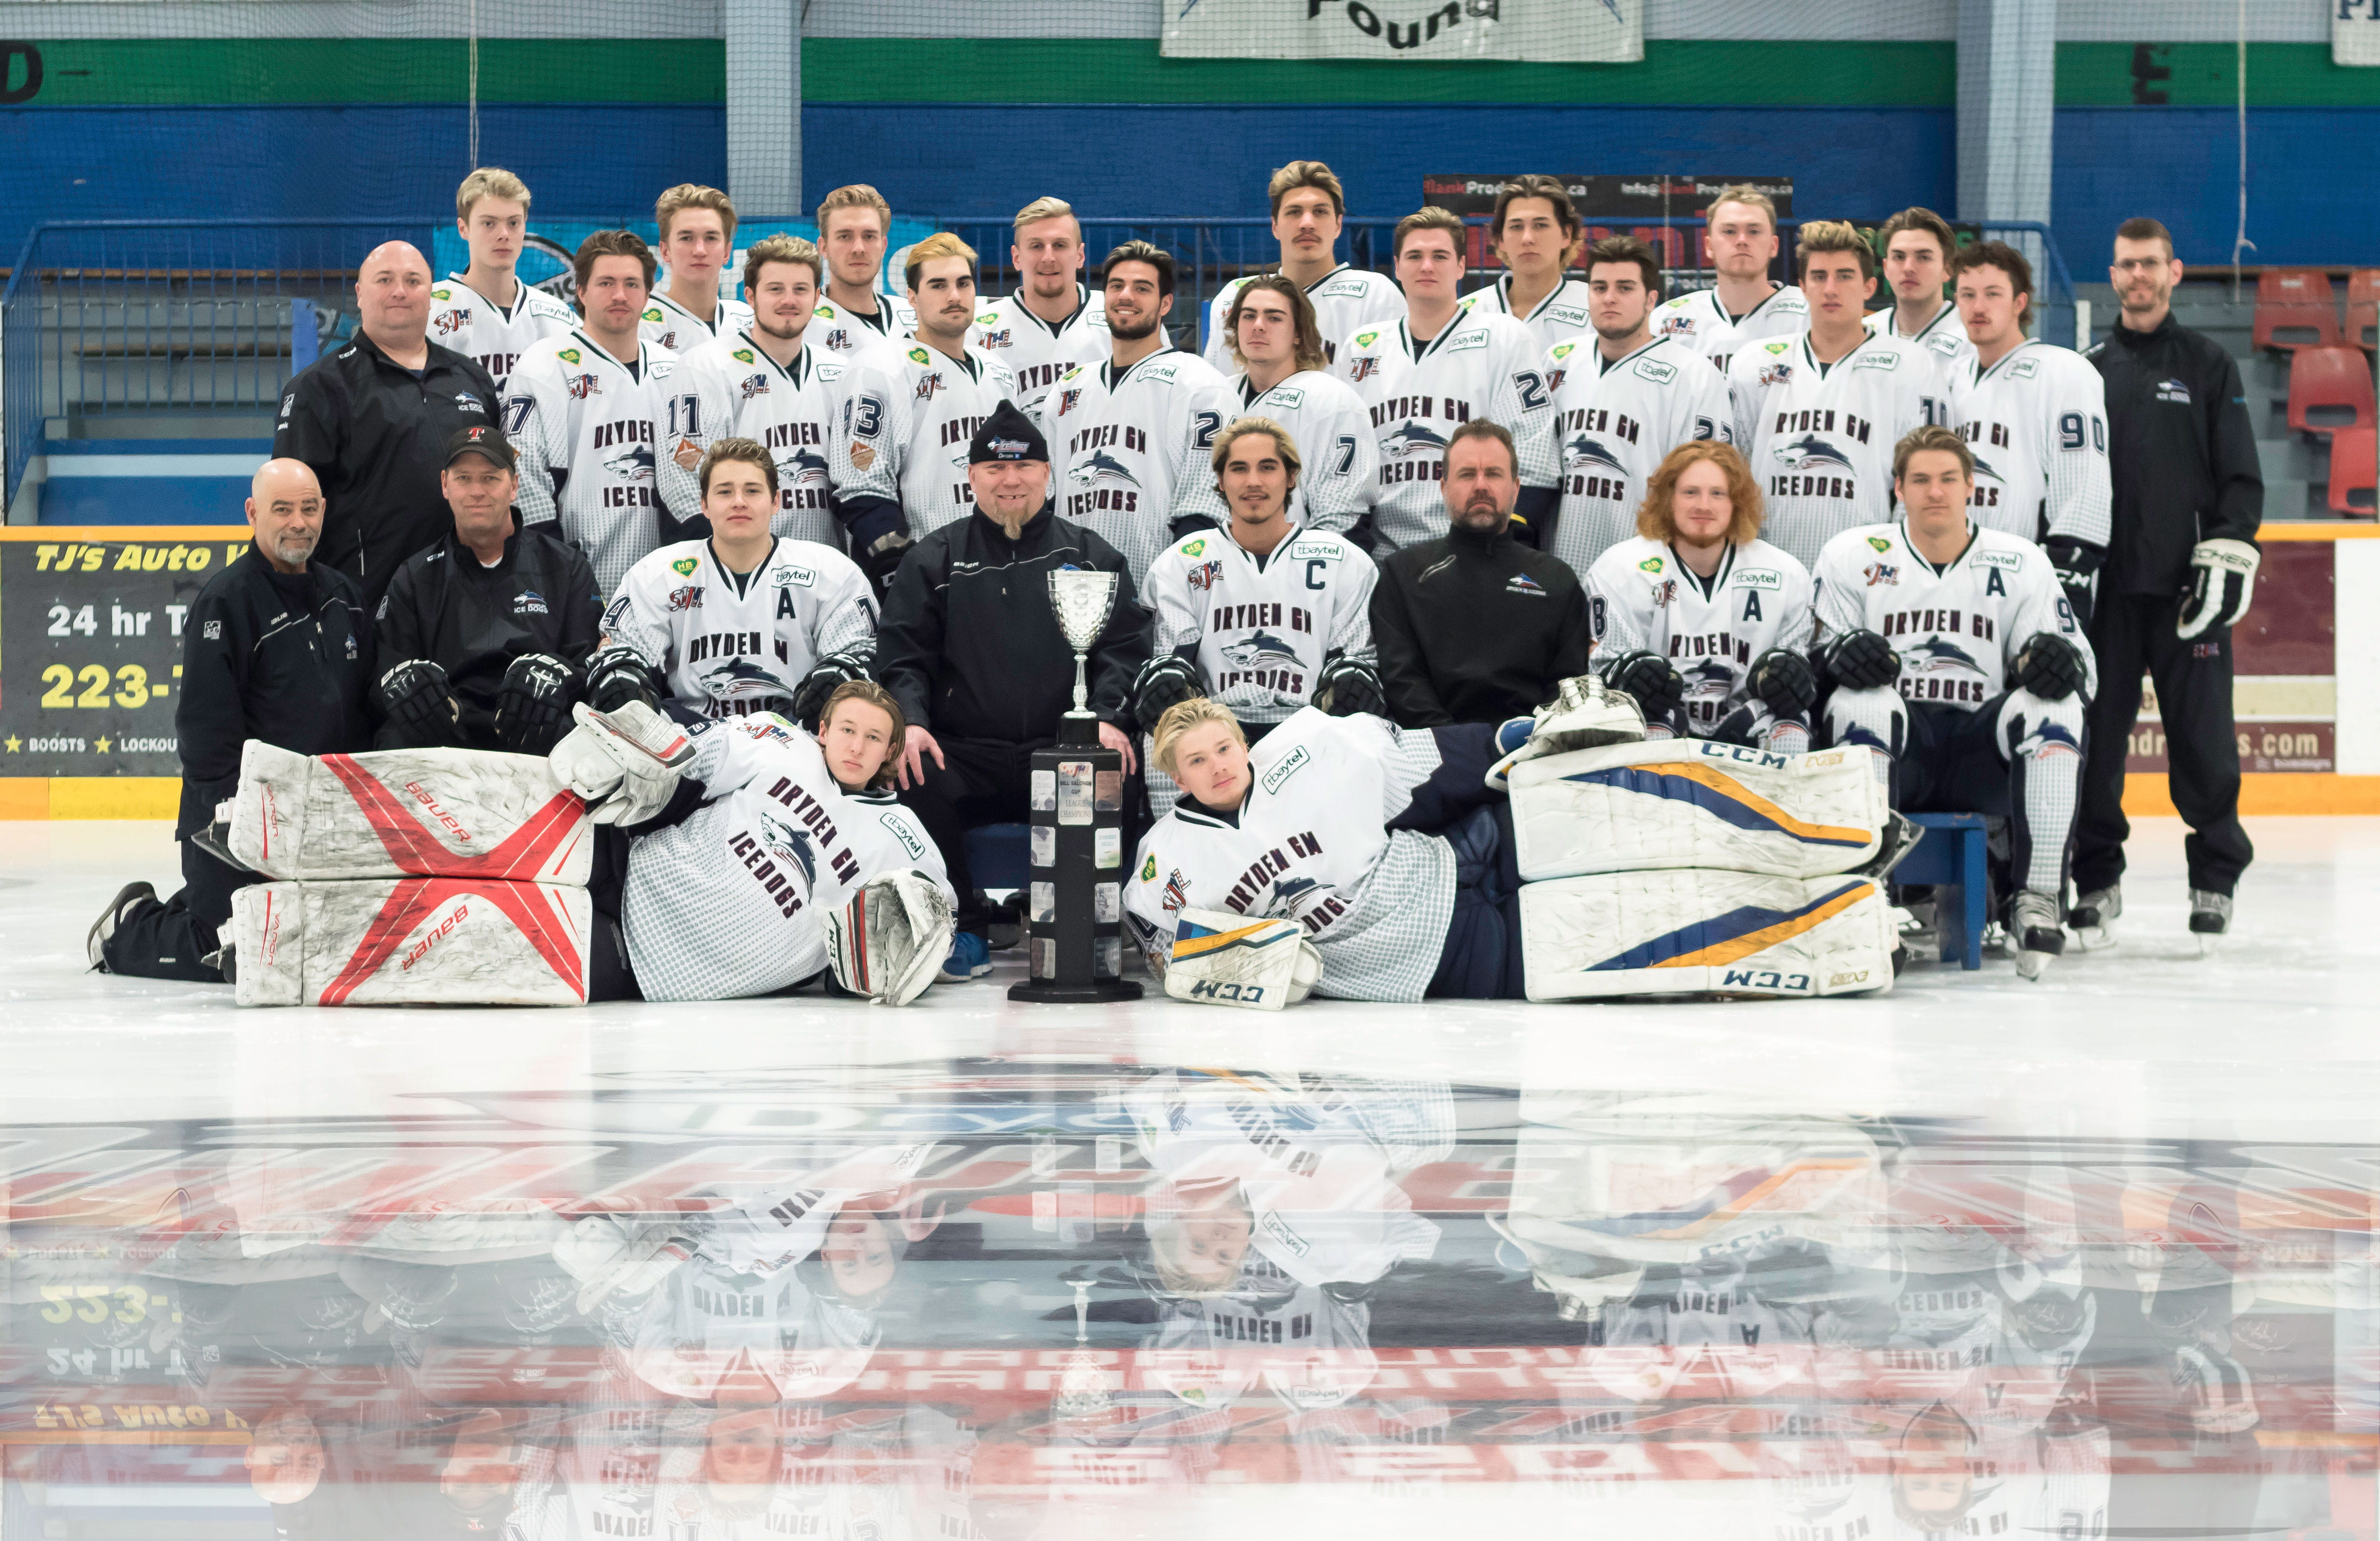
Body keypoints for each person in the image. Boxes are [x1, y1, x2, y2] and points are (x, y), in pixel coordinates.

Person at [873, 403, 1151, 982]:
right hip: (963, 751)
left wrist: (1104, 718)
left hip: (1060, 747)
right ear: (971, 478)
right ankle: (965, 925)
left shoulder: (1090, 555)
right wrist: (913, 721)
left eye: (1023, 466)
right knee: (910, 769)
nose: (1010, 480)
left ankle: (1093, 925)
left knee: (1115, 769)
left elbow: (1124, 649)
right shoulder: (936, 558)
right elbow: (903, 655)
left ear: (1047, 473)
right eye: (994, 470)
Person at [1813, 426, 2092, 980]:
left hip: (1975, 751)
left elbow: (2079, 672)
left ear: (1971, 487)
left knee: (2055, 707)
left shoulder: (2021, 561)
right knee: (1862, 698)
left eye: (1946, 479)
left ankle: (2037, 897)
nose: (1933, 492)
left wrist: (2054, 663)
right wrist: (1836, 659)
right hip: (1902, 749)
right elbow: (1816, 665)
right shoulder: (1851, 554)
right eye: (1919, 480)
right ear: (1897, 488)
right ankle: (1868, 897)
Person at [88, 460, 374, 980]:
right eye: (282, 509)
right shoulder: (226, 600)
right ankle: (129, 928)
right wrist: (234, 827)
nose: (298, 523)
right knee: (233, 951)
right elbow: (204, 730)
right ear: (252, 513)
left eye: (309, 509)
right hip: (235, 818)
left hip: (320, 817)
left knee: (321, 941)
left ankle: (198, 900)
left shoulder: (344, 596)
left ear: (324, 512)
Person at [2075, 215, 2261, 950]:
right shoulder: (2084, 369)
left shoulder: (2211, 363)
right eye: (2126, 265)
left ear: (2174, 271)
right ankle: (2095, 880)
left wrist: (2225, 551)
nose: (2138, 276)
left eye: (2150, 264)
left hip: (2190, 596)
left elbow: (2241, 481)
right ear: (2113, 274)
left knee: (2205, 743)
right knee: (2095, 745)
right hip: (2109, 596)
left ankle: (2214, 878)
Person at [552, 700, 954, 1005]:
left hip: (661, 968)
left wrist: (882, 961)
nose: (856, 747)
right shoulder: (782, 739)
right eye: (848, 730)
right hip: (629, 868)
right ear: (824, 730)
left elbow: (939, 930)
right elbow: (690, 757)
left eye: (873, 738)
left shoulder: (906, 840)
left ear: (890, 751)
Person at [1126, 697, 1525, 1001]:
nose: (1218, 766)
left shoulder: (1308, 748)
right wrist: (1256, 970)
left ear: (1244, 746)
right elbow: (1166, 953)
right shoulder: (1166, 858)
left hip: (1444, 865)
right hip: (1419, 951)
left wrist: (1501, 745)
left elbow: (1416, 759)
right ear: (1178, 779)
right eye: (1198, 761)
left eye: (1224, 749)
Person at [1134, 416, 1382, 813]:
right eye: (1239, 468)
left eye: (1268, 467)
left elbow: (1355, 668)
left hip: (1309, 728)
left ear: (1291, 477)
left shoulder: (1343, 560)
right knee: (1163, 707)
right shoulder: (1183, 561)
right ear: (1219, 480)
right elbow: (1172, 665)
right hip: (1216, 736)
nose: (1254, 481)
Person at [272, 241, 504, 610]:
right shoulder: (319, 387)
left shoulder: (471, 379)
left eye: (413, 281)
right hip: (362, 608)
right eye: (385, 279)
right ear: (360, 294)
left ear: (431, 296)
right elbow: (289, 511)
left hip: (469, 604)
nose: (400, 291)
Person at [592, 437, 878, 726]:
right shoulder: (657, 573)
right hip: (690, 729)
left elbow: (855, 656)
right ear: (704, 504)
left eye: (752, 491)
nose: (739, 502)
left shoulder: (831, 572)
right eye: (725, 492)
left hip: (797, 728)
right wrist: (625, 678)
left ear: (776, 501)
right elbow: (624, 655)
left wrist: (837, 678)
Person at [1336, 206, 1559, 555]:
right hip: (1382, 557)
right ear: (1396, 267)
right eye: (1415, 256)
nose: (1427, 266)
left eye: (1440, 256)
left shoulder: (1504, 337)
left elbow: (1535, 454)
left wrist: (1500, 547)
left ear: (1461, 266)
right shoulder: (1362, 347)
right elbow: (1346, 461)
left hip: (1475, 549)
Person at [370, 424, 603, 754]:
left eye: (490, 478)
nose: (476, 491)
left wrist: (559, 680)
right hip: (449, 733)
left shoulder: (565, 566)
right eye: (463, 478)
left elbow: (589, 661)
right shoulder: (415, 576)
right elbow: (386, 674)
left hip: (538, 728)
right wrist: (409, 691)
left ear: (514, 486)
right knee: (396, 736)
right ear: (445, 485)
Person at [1586, 440, 1817, 753]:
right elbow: (1604, 674)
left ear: (1737, 501)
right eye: (1690, 492)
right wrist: (1629, 676)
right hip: (1662, 720)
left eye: (1718, 493)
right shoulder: (1621, 568)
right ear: (1668, 499)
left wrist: (1787, 677)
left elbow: (1797, 675)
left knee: (1790, 721)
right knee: (1639, 715)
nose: (1704, 505)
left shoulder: (1785, 573)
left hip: (1745, 722)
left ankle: (1776, 803)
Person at [1727, 219, 1931, 570]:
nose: (1830, 289)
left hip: (1868, 565)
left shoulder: (1910, 365)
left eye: (1845, 276)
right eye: (1819, 277)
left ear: (1869, 286)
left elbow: (1922, 474)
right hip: (1766, 563)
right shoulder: (1754, 363)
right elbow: (1731, 468)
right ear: (1803, 286)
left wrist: (1900, 563)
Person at [829, 233, 1021, 588]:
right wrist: (901, 566)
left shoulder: (999, 372)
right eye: (938, 285)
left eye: (964, 284)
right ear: (913, 298)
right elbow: (860, 485)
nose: (954, 296)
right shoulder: (880, 367)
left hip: (999, 569)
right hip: (925, 571)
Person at [505, 229, 692, 594]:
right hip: (579, 582)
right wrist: (558, 577)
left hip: (668, 585)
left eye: (632, 284)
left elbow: (693, 476)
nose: (620, 295)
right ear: (581, 290)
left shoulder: (678, 372)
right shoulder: (545, 365)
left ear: (648, 294)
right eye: (606, 282)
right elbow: (526, 481)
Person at [1369, 420, 1591, 727]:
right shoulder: (1403, 575)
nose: (1481, 486)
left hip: (1536, 754)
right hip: (1435, 753)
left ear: (1516, 488)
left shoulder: (1557, 580)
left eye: (1494, 474)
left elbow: (1567, 685)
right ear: (1444, 486)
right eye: (1467, 474)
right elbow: (1403, 681)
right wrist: (1457, 745)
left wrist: (1530, 742)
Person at [1036, 240, 1233, 584]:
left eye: (1142, 288)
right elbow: (1048, 499)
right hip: (1072, 591)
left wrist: (1176, 592)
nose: (1126, 296)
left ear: (1166, 303)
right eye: (1117, 286)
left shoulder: (1200, 384)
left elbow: (1204, 506)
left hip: (1156, 592)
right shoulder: (1067, 390)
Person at [1541, 233, 1735, 573]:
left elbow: (1703, 489)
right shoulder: (1559, 361)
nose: (1609, 298)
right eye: (1599, 288)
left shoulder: (1693, 375)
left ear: (1651, 300)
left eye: (1625, 288)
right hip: (1559, 565)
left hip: (1647, 571)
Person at [1946, 240, 2112, 612]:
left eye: (1993, 294)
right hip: (1954, 572)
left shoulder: (2064, 370)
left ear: (2019, 303)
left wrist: (2071, 565)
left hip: (2030, 579)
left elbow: (2084, 479)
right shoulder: (1948, 377)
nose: (1978, 307)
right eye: (1967, 294)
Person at [660, 234, 850, 546]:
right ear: (750, 296)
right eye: (775, 289)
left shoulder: (840, 373)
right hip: (737, 562)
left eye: (800, 290)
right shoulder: (705, 366)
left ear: (817, 298)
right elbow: (683, 473)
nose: (789, 300)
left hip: (821, 568)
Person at [1183, 274, 1377, 546]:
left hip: (1301, 569)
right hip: (1222, 569)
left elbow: (1346, 514)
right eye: (1249, 317)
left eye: (1274, 318)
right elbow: (1196, 499)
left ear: (1298, 333)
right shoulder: (1215, 397)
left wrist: (1301, 569)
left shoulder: (1334, 401)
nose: (1259, 326)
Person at [1202, 161, 1404, 372]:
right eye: (1294, 212)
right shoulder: (1235, 297)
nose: (1307, 223)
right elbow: (1219, 386)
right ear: (1275, 226)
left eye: (1320, 212)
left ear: (1338, 225)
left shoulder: (1376, 295)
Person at [427, 167, 575, 392]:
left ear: (525, 226)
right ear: (463, 229)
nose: (504, 234)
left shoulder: (560, 317)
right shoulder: (429, 309)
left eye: (514, 223)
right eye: (489, 223)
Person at [972, 196, 1111, 417]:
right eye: (1037, 246)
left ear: (1080, 255)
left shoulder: (1117, 316)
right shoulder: (978, 330)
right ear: (1017, 258)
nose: (1049, 257)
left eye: (1060, 245)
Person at [1653, 185, 1808, 375]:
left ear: (1773, 246)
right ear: (1709, 246)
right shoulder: (1668, 320)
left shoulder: (1809, 312)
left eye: (1754, 232)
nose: (1742, 240)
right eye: (1729, 231)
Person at [1461, 174, 1595, 350]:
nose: (1527, 238)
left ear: (1566, 235)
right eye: (1516, 227)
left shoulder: (1597, 306)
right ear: (1500, 239)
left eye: (1541, 225)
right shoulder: (1465, 313)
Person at [1865, 205, 1976, 414]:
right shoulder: (1863, 332)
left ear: (1948, 269)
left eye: (1923, 257)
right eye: (1899, 257)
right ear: (1886, 268)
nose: (1908, 267)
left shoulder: (1971, 339)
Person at [639, 184, 755, 353]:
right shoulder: (639, 323)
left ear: (727, 252)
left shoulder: (750, 321)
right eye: (687, 238)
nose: (700, 251)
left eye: (711, 238)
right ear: (665, 251)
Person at [810, 183, 917, 358]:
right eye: (844, 236)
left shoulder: (913, 317)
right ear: (824, 247)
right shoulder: (802, 321)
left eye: (869, 236)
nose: (858, 248)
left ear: (883, 247)